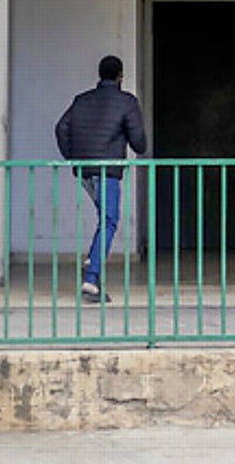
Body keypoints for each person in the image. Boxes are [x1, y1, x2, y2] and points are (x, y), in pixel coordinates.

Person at [54, 55, 147, 304]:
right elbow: (139, 143)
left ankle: (92, 259)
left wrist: (73, 157)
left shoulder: (81, 100)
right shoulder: (127, 102)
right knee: (109, 220)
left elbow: (61, 128)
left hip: (84, 171)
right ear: (120, 76)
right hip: (108, 171)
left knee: (104, 218)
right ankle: (91, 280)